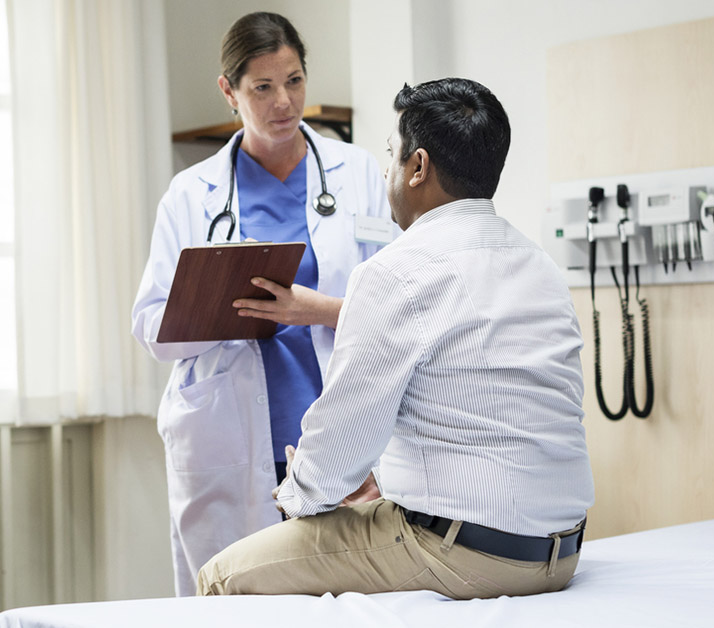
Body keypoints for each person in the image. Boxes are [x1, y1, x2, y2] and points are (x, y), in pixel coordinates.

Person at [196, 77, 596, 600]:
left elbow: (341, 437)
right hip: (558, 553)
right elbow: (486, 413)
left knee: (219, 578)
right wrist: (381, 481)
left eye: (392, 153)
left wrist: (298, 492)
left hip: (464, 555)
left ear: (418, 167)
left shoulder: (396, 271)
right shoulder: (540, 266)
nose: (387, 170)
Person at [131, 12, 393, 596]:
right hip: (230, 436)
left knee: (345, 602)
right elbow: (150, 323)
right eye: (263, 87)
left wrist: (314, 309)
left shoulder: (357, 174)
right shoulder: (189, 194)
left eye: (294, 81)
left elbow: (397, 306)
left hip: (334, 433)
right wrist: (220, 305)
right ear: (230, 91)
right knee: (235, 603)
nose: (284, 102)